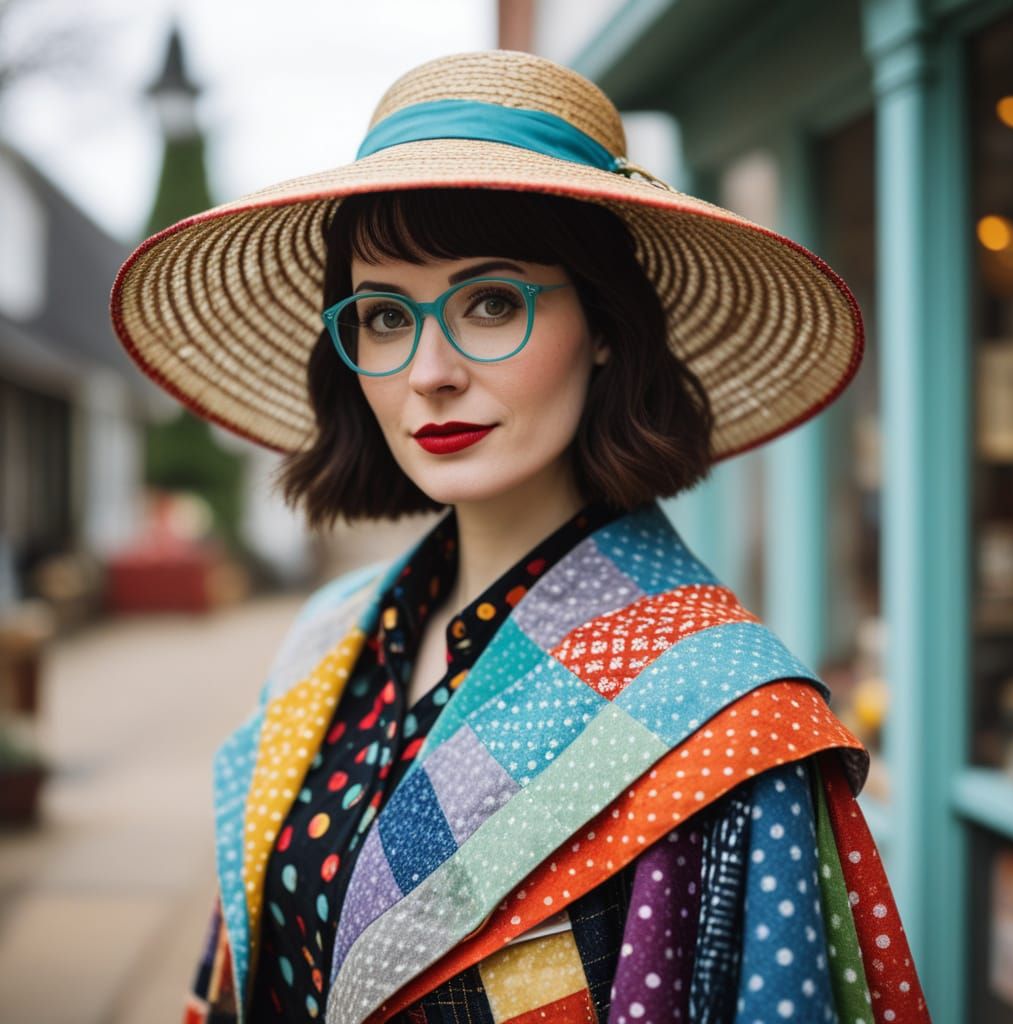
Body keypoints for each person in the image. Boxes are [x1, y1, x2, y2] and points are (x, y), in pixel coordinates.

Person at [110, 50, 930, 1024]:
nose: (430, 372)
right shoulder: (323, 637)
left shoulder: (729, 720)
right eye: (382, 315)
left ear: (605, 326)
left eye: (491, 301)